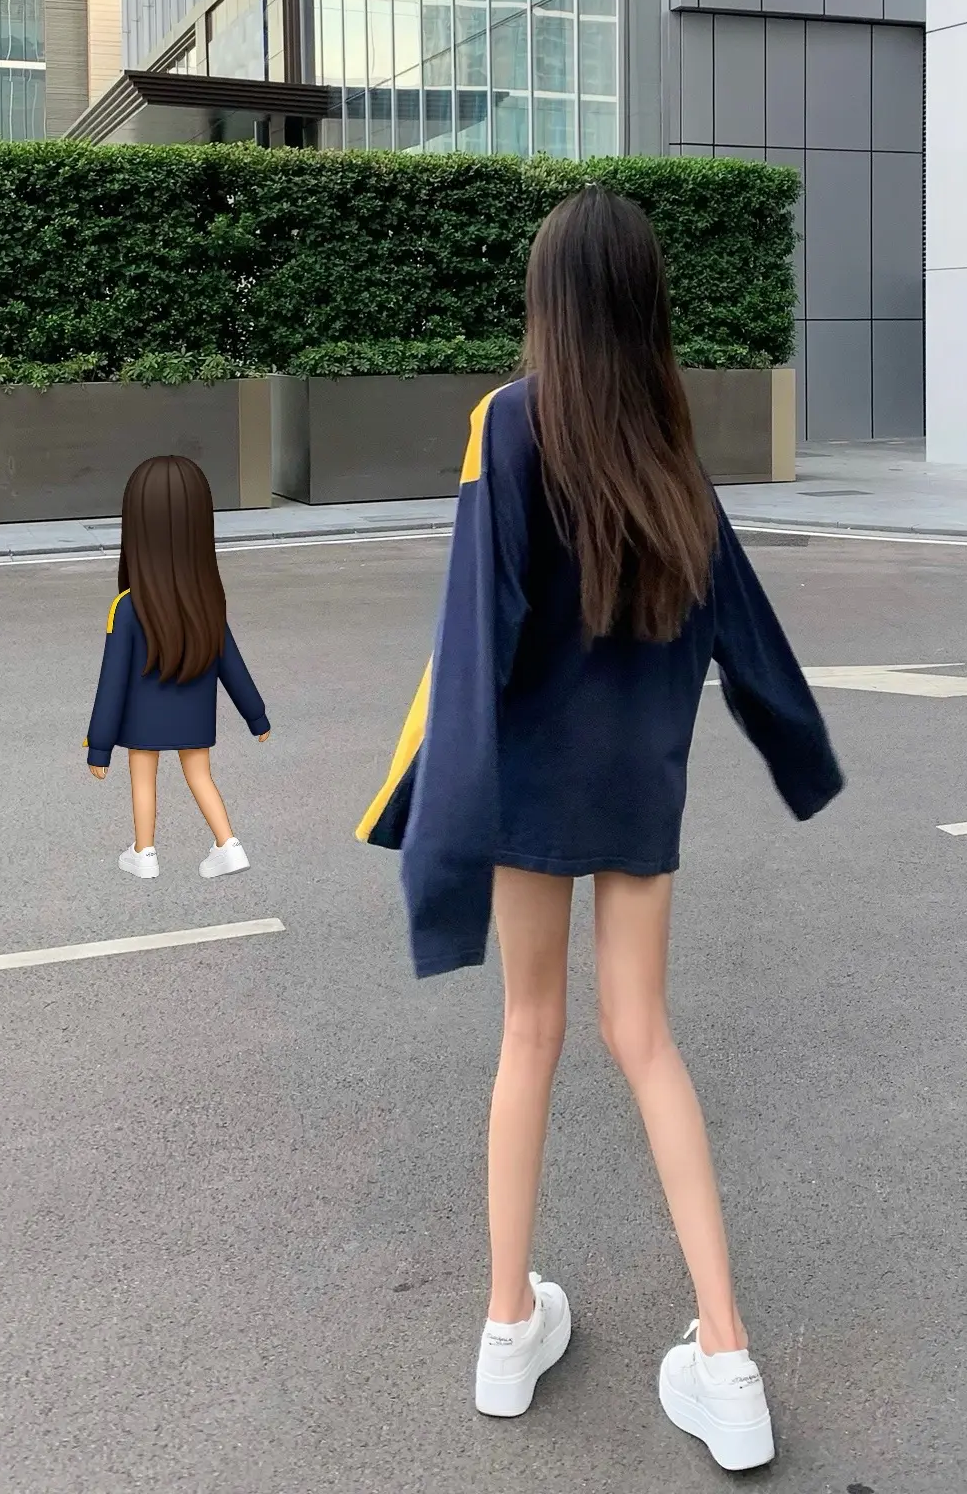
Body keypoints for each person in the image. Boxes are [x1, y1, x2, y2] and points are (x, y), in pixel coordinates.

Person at [359, 188, 842, 1472]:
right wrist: (801, 755)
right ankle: (727, 1358)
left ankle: (506, 1328)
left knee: (530, 1032)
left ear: (549, 301)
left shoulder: (511, 423)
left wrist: (440, 832)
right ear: (643, 304)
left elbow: (474, 634)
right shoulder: (670, 441)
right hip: (639, 785)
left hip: (527, 781)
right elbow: (745, 624)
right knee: (647, 1038)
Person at [86, 455, 270, 880]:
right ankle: (228, 844)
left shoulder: (127, 607)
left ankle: (144, 852)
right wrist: (256, 717)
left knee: (143, 777)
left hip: (142, 717)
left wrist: (99, 746)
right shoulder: (207, 602)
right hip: (194, 711)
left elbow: (112, 684)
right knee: (200, 774)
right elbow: (232, 664)